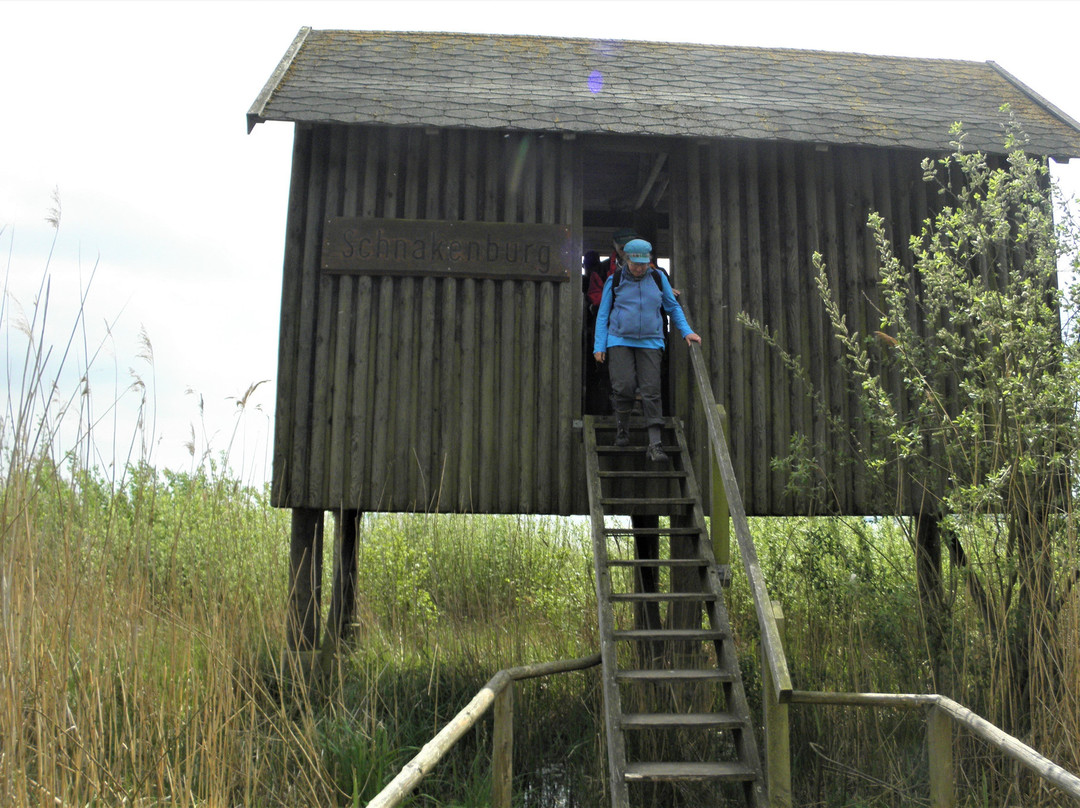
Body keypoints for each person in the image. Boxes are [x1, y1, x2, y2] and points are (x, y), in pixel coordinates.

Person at [593, 238, 702, 461]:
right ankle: (622, 430)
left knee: (651, 391)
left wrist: (686, 331)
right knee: (624, 386)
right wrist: (599, 345)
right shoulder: (614, 281)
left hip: (651, 341)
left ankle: (655, 444)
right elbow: (603, 315)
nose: (639, 268)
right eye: (635, 263)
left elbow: (672, 307)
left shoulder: (658, 278)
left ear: (649, 261)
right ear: (627, 259)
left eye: (643, 264)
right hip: (619, 339)